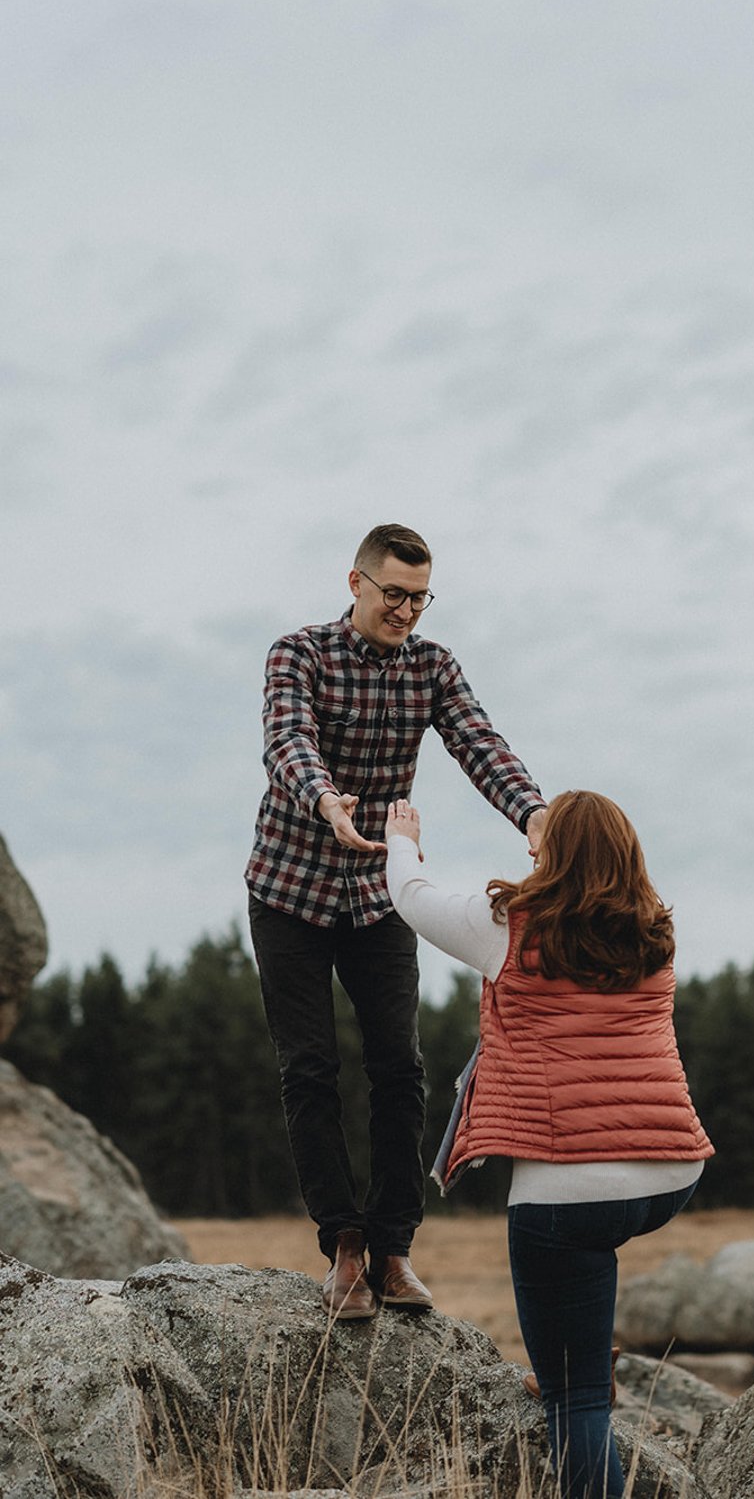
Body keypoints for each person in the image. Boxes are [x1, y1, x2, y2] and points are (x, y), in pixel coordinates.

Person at [245, 523, 546, 1321]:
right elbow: (288, 737)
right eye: (393, 594)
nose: (406, 610)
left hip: (378, 898)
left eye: (420, 597)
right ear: (356, 582)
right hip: (289, 893)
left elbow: (480, 741)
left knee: (401, 1070)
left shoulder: (433, 666)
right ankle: (343, 1245)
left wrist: (535, 813)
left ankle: (394, 1249)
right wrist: (323, 797)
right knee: (310, 1069)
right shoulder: (299, 653)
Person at [384, 788, 714, 1499]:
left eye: (541, 838)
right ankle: (577, 1349)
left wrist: (401, 835)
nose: (530, 847)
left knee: (578, 1403)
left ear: (553, 853)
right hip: (670, 1176)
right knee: (587, 1277)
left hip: (569, 1196)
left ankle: (576, 1371)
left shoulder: (511, 926)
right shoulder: (653, 934)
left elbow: (410, 896)